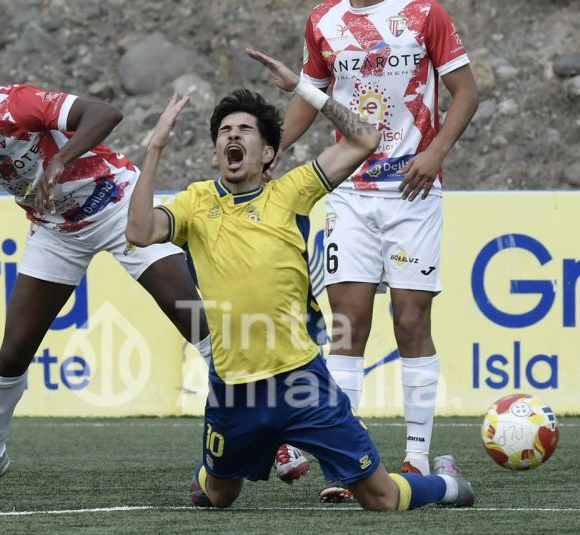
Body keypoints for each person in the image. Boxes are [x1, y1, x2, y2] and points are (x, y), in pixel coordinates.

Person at [125, 47, 475, 511]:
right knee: (217, 496)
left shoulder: (291, 192)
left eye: (245, 130)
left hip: (302, 384)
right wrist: (154, 149)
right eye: (225, 132)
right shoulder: (195, 203)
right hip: (234, 390)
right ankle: (227, 465)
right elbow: (138, 231)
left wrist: (303, 89)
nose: (233, 137)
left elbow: (365, 138)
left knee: (383, 499)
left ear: (268, 152)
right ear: (215, 154)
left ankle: (448, 484)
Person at [0, 43, 211, 507]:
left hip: (115, 205)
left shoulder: (18, 105)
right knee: (12, 356)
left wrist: (60, 158)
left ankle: (263, 432)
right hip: (56, 230)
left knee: (197, 323)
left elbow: (105, 113)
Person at [272, 0, 479, 501]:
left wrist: (435, 152)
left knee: (410, 321)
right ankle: (347, 466)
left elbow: (467, 92)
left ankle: (416, 456)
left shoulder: (424, 12)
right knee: (349, 325)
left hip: (413, 192)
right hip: (350, 191)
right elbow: (311, 95)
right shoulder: (323, 19)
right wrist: (273, 148)